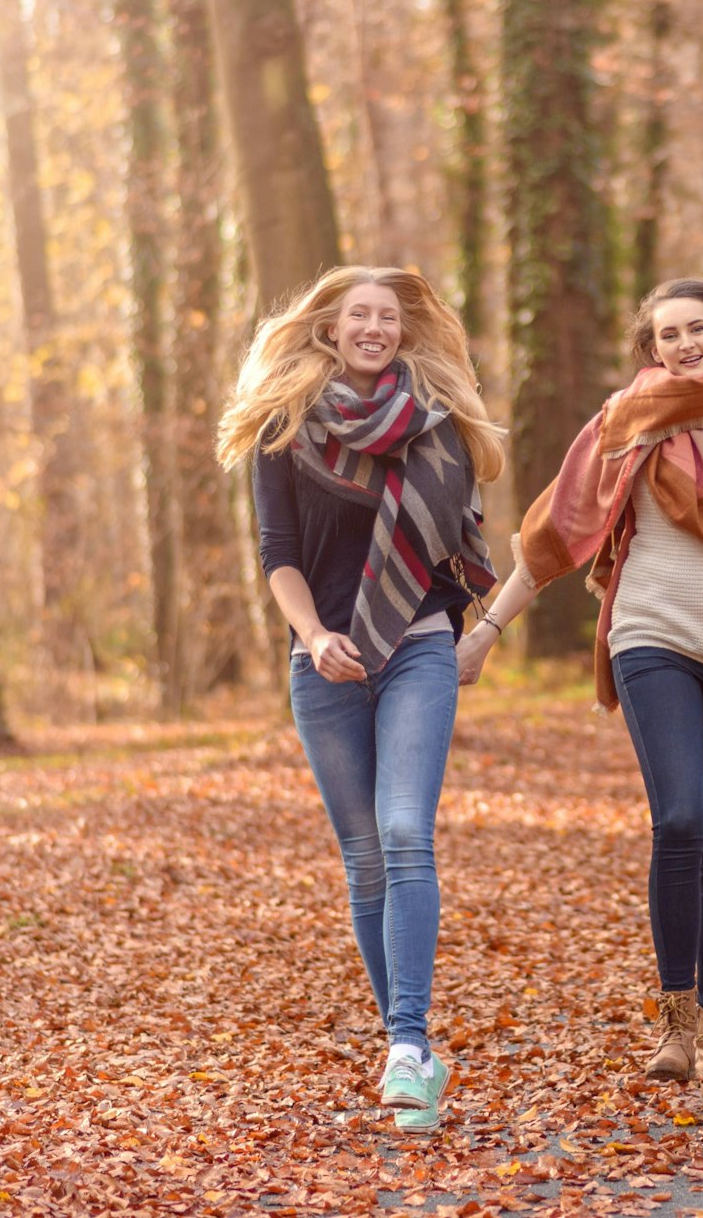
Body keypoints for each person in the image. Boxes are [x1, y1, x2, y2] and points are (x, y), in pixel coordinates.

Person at [456, 276, 703, 1109]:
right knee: (679, 818)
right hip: (651, 634)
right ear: (652, 347)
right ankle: (674, 1021)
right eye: (666, 334)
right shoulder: (627, 420)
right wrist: (488, 629)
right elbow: (555, 532)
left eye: (694, 328)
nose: (682, 344)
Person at [215, 265, 505, 1133]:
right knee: (366, 859)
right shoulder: (286, 426)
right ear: (330, 329)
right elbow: (278, 554)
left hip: (418, 646)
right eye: (359, 316)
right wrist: (312, 635)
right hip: (325, 661)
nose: (374, 327)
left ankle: (407, 1046)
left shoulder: (439, 424)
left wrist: (481, 625)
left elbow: (460, 535)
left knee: (406, 830)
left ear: (401, 331)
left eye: (386, 316)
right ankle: (408, 1047)